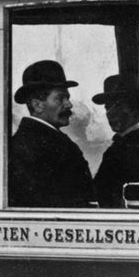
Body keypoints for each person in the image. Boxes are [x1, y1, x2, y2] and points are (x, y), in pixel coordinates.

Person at [8, 60, 95, 207]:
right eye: (60, 98)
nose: (69, 104)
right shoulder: (55, 147)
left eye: (67, 97)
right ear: (37, 105)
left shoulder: (20, 141)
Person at [91, 74, 139, 208]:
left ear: (136, 109)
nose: (109, 113)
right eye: (108, 107)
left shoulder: (136, 148)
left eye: (118, 106)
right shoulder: (131, 144)